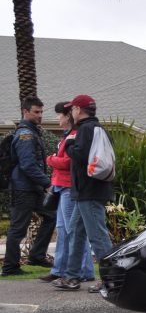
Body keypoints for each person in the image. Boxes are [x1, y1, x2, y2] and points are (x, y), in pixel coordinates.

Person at [52, 95, 113, 293]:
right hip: (87, 191)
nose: (71, 113)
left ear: (78, 109)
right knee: (76, 233)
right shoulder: (98, 128)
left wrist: (69, 145)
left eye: (73, 109)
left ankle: (110, 280)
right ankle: (71, 277)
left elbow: (80, 156)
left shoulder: (86, 129)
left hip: (89, 191)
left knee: (98, 237)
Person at [39, 102, 95, 283]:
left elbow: (68, 163)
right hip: (61, 187)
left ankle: (83, 271)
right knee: (65, 230)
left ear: (67, 116)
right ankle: (61, 269)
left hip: (69, 187)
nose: (57, 118)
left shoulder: (74, 135)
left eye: (59, 115)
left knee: (74, 231)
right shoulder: (67, 136)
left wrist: (50, 159)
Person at [1, 97, 56, 276]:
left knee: (51, 216)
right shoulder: (25, 134)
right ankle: (10, 267)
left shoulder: (33, 131)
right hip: (23, 189)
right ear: (25, 111)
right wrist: (47, 183)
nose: (40, 115)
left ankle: (36, 256)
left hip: (32, 188)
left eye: (41, 112)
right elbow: (28, 165)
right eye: (36, 112)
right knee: (18, 228)